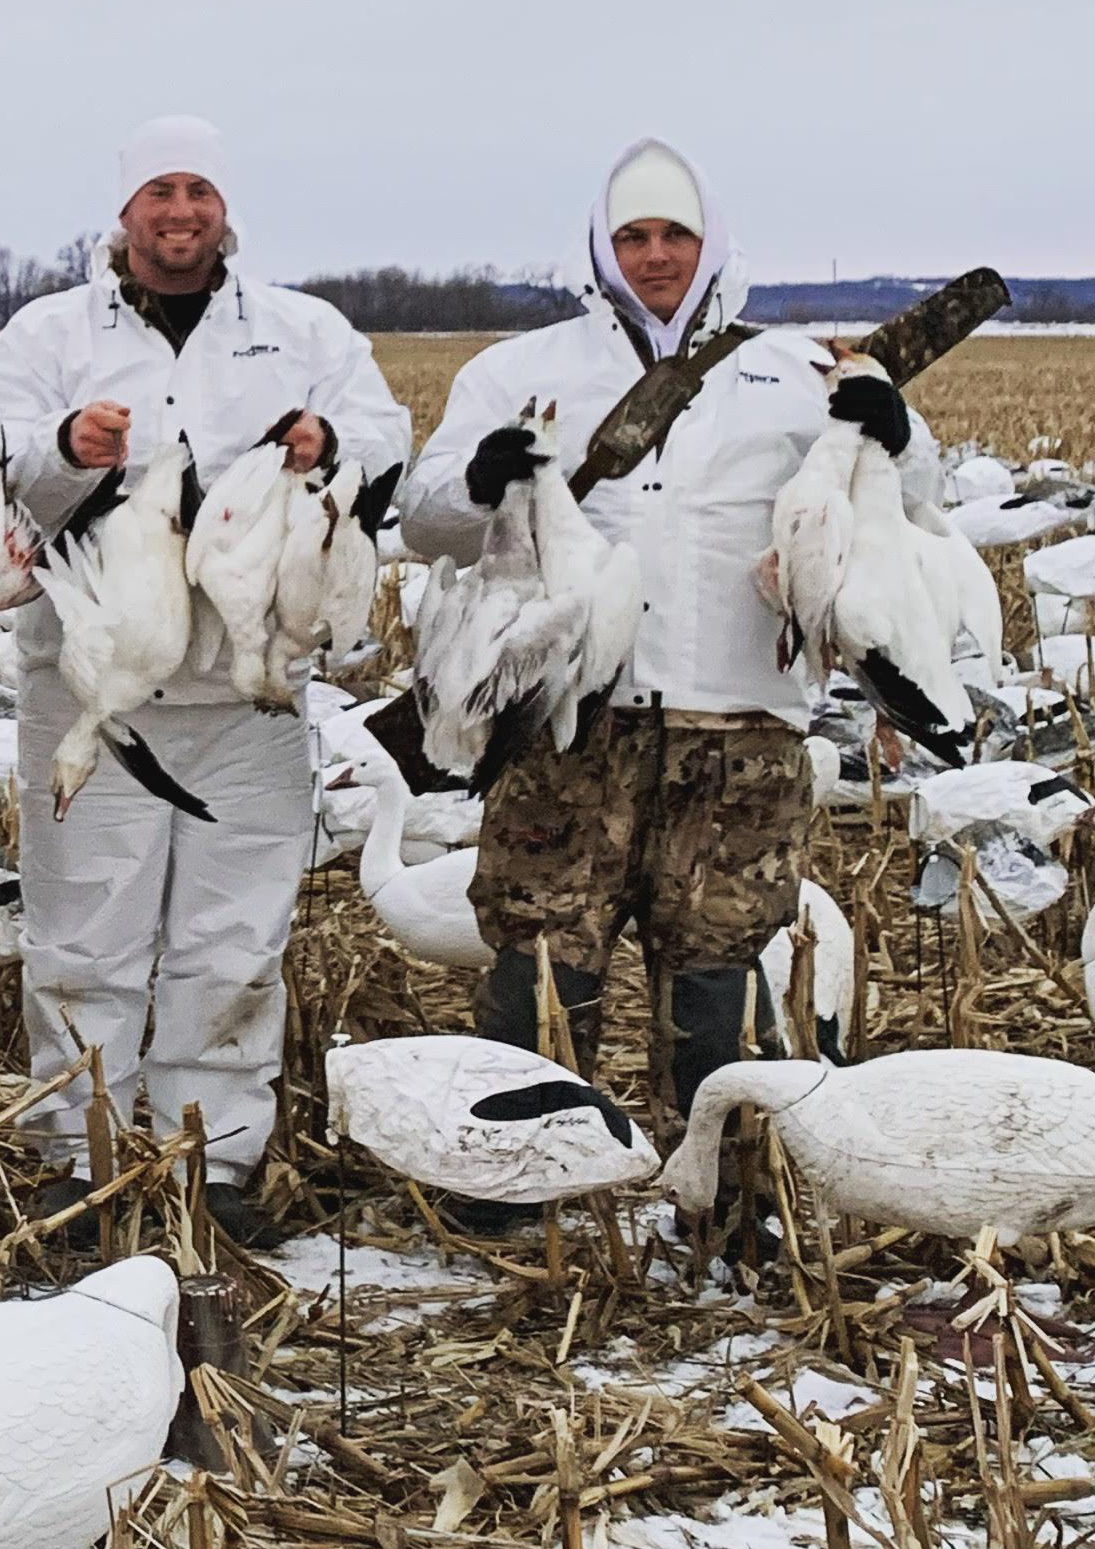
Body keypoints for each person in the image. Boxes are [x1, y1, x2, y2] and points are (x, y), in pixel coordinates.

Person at [401, 139, 936, 1145]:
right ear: (602, 249)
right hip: (566, 733)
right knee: (543, 969)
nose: (654, 256)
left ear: (711, 242)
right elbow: (423, 522)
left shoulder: (794, 371)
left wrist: (894, 431)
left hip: (737, 734)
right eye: (632, 236)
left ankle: (728, 1194)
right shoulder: (521, 370)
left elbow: (913, 504)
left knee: (719, 972)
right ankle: (523, 1178)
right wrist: (481, 480)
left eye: (675, 235)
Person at [0, 119, 407, 1243]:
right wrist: (66, 447)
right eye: (158, 191)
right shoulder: (48, 334)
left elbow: (383, 446)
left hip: (249, 694)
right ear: (124, 214)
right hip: (91, 698)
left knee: (236, 936)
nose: (180, 211)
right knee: (83, 937)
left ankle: (213, 1165)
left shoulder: (302, 331)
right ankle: (85, 1163)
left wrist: (329, 450)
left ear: (225, 210)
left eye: (199, 191)